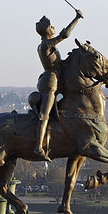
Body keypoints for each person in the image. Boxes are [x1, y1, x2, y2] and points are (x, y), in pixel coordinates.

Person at [32, 10, 83, 161]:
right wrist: (76, 19)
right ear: (47, 30)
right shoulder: (45, 45)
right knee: (45, 115)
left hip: (57, 80)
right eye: (51, 26)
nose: (54, 28)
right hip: (50, 83)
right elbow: (64, 35)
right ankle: (38, 147)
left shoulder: (48, 44)